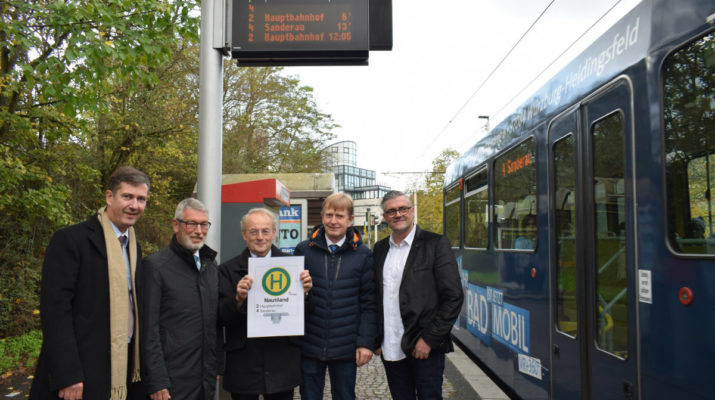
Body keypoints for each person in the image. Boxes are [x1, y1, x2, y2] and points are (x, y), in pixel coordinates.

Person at [30, 166, 150, 400]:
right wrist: (68, 374)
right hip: (81, 371)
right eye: (127, 196)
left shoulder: (135, 248)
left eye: (141, 199)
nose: (134, 205)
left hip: (122, 365)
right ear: (109, 197)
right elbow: (55, 312)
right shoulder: (71, 240)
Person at [373, 190, 464, 400]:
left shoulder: (436, 244)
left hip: (424, 346)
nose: (398, 214)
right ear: (385, 217)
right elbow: (375, 297)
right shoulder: (379, 249)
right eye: (392, 211)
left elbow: (453, 296)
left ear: (412, 211)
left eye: (403, 209)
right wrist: (376, 339)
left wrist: (430, 339)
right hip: (391, 346)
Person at [218, 208, 313, 400]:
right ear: (244, 234)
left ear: (274, 233)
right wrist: (237, 300)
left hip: (282, 360)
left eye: (265, 231)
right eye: (253, 231)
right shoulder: (227, 270)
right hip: (244, 363)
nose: (260, 237)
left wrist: (307, 293)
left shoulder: (293, 267)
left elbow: (309, 313)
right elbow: (220, 316)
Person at [294, 193, 377, 400]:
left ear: (350, 220)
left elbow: (369, 302)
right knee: (309, 396)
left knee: (345, 395)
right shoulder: (303, 250)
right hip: (310, 344)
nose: (333, 221)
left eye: (339, 216)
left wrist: (365, 342)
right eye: (329, 215)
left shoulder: (363, 254)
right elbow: (293, 298)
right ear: (321, 217)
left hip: (346, 347)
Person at [138, 198, 220, 400]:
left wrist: (217, 365)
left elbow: (214, 321)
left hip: (205, 380)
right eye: (191, 223)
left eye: (204, 224)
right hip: (172, 382)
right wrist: (157, 381)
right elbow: (149, 330)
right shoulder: (155, 267)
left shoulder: (210, 266)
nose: (199, 231)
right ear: (176, 225)